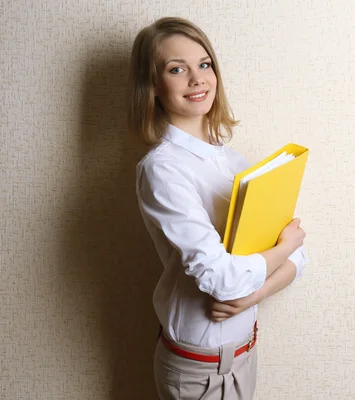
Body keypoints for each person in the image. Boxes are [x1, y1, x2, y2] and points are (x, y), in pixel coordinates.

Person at [127, 17, 308, 400]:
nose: (197, 79)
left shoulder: (236, 162)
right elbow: (223, 281)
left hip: (244, 352)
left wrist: (255, 294)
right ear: (153, 86)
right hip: (199, 366)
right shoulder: (163, 169)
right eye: (177, 69)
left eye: (204, 64)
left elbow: (299, 258)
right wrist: (285, 249)